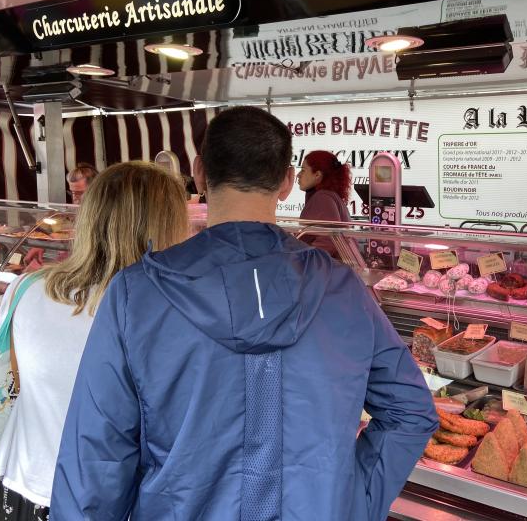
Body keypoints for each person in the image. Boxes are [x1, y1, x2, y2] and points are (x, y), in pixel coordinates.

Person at [51, 106, 437, 520]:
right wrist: (351, 502)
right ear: (287, 182)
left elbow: (96, 458)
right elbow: (410, 412)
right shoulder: (344, 290)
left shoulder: (135, 293)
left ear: (198, 173)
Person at [0, 161, 189, 521]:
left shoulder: (24, 290)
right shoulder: (166, 312)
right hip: (116, 501)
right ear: (168, 226)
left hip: (27, 483)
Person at [298, 150, 352, 223]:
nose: (298, 175)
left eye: (303, 170)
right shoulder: (327, 196)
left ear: (317, 175)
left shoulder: (322, 198)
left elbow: (325, 233)